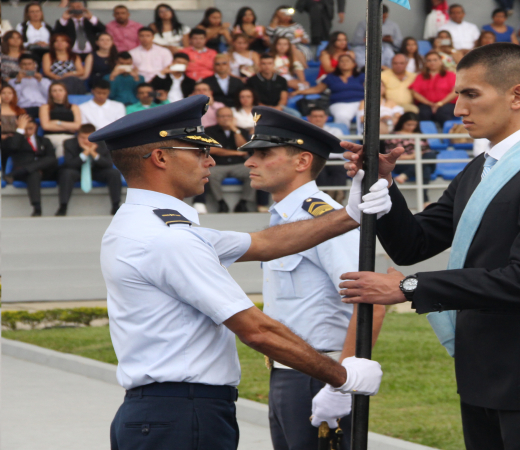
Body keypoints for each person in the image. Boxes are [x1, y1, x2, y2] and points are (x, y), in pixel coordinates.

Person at [90, 96, 384, 450]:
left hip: (165, 411)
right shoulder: (167, 238)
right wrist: (343, 377)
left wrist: (350, 214)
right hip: (182, 414)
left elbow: (263, 243)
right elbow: (256, 329)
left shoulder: (147, 224)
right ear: (161, 157)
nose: (211, 160)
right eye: (198, 151)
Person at [338, 43, 520, 450]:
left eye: (471, 94)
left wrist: (409, 288)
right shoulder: (479, 167)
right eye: (458, 95)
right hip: (480, 374)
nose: (457, 109)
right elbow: (414, 244)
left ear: (518, 96)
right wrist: (385, 186)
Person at [240, 105, 385, 449]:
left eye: (263, 153)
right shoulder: (287, 218)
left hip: (318, 373)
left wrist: (341, 382)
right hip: (288, 373)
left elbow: (371, 303)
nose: (249, 162)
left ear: (302, 161)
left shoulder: (325, 221)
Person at [57, 123, 122, 216]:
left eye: (89, 138)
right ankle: (63, 206)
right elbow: (69, 164)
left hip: (97, 171)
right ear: (78, 135)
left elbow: (108, 164)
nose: (86, 141)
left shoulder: (103, 143)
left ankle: (116, 206)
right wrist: (85, 153)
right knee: (67, 173)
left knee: (114, 173)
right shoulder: (69, 143)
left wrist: (93, 153)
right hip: (77, 171)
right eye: (83, 138)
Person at [1, 115, 57, 216]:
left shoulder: (44, 141)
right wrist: (20, 130)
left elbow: (51, 159)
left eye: (30, 129)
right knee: (33, 173)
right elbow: (13, 147)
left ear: (35, 127)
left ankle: (14, 174)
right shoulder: (13, 140)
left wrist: (38, 166)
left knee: (51, 159)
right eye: (24, 129)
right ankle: (37, 208)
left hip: (44, 171)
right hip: (25, 174)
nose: (27, 132)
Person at [202, 106, 253, 213]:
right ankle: (221, 203)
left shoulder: (240, 130)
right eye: (223, 116)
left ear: (233, 117)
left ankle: (243, 203)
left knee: (252, 173)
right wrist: (236, 153)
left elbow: (243, 147)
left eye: (229, 116)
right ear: (217, 117)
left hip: (238, 165)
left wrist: (235, 130)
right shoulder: (209, 131)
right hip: (218, 165)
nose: (226, 118)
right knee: (210, 175)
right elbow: (212, 150)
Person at [292, 53, 364, 125]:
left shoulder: (362, 76)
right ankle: (342, 135)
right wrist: (298, 92)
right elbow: (317, 89)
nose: (344, 63)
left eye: (347, 61)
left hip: (361, 103)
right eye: (342, 61)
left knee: (366, 116)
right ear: (338, 64)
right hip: (339, 103)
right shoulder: (331, 77)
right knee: (342, 116)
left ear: (354, 64)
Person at [384, 112, 436, 202]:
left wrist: (418, 157)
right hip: (403, 164)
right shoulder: (393, 135)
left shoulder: (420, 135)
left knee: (431, 155)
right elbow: (391, 155)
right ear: (402, 123)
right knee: (425, 169)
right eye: (408, 124)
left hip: (421, 161)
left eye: (414, 125)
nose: (411, 127)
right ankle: (425, 201)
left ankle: (405, 175)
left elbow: (427, 152)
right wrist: (412, 157)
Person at [307, 106, 348, 203]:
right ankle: (324, 199)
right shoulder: (305, 132)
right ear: (309, 118)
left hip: (334, 159)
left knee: (339, 168)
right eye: (315, 116)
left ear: (326, 117)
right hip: (316, 159)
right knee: (319, 170)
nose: (318, 119)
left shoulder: (336, 131)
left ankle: (337, 197)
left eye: (320, 116)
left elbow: (340, 148)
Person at [410, 51, 457, 125]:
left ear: (441, 61)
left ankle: (447, 135)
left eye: (435, 60)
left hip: (447, 103)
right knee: (423, 113)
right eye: (429, 60)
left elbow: (455, 91)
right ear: (426, 63)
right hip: (426, 104)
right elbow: (415, 93)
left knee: (443, 113)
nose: (432, 62)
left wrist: (440, 104)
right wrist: (429, 104)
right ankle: (427, 135)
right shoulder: (420, 76)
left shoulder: (450, 75)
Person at [246, 53, 300, 118]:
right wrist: (267, 108)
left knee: (296, 115)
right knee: (254, 120)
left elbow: (284, 98)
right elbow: (252, 99)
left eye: (269, 63)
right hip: (259, 108)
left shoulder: (281, 80)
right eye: (264, 63)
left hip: (278, 108)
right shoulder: (252, 80)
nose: (267, 66)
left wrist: (278, 107)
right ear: (259, 65)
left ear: (273, 65)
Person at [39, 81, 81, 157]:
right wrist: (69, 127)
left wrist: (57, 122)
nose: (58, 93)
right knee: (62, 144)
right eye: (54, 91)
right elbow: (46, 126)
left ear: (65, 92)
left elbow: (77, 126)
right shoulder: (45, 107)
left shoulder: (74, 107)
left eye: (60, 90)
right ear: (50, 93)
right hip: (51, 137)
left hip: (70, 137)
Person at [10, 54, 52, 119]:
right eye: (24, 64)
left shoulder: (45, 81)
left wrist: (40, 81)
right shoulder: (12, 82)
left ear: (34, 65)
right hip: (24, 108)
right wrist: (18, 82)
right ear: (19, 65)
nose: (27, 67)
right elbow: (14, 100)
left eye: (29, 64)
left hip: (42, 107)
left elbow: (50, 96)